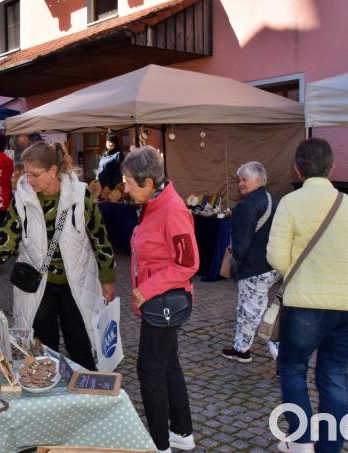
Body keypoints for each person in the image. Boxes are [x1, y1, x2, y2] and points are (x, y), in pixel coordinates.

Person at [267, 138, 348, 453]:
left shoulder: (291, 203)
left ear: (297, 168)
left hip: (306, 305)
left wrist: (304, 272)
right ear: (332, 167)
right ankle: (329, 447)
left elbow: (276, 257)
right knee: (334, 375)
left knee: (292, 368)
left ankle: (301, 441)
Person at [0, 141, 117, 371]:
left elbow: (100, 238)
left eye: (35, 174)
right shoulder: (22, 199)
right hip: (37, 286)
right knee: (42, 350)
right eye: (26, 173)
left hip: (76, 284)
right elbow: (5, 240)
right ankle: (49, 388)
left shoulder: (80, 195)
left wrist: (107, 278)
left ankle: (85, 388)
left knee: (81, 345)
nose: (29, 180)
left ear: (53, 171)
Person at [121, 146, 198, 453]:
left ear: (149, 182)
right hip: (158, 301)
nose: (125, 189)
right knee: (167, 365)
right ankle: (182, 432)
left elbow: (188, 263)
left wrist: (146, 289)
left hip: (162, 301)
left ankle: (158, 444)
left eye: (129, 182)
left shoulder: (172, 210)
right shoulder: (153, 204)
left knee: (150, 368)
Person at [221, 161, 280, 363]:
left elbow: (242, 243)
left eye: (244, 180)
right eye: (239, 180)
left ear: (257, 180)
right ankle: (241, 349)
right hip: (271, 265)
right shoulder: (273, 200)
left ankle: (284, 358)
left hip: (254, 267)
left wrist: (234, 259)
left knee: (257, 314)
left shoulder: (246, 205)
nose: (240, 184)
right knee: (247, 309)